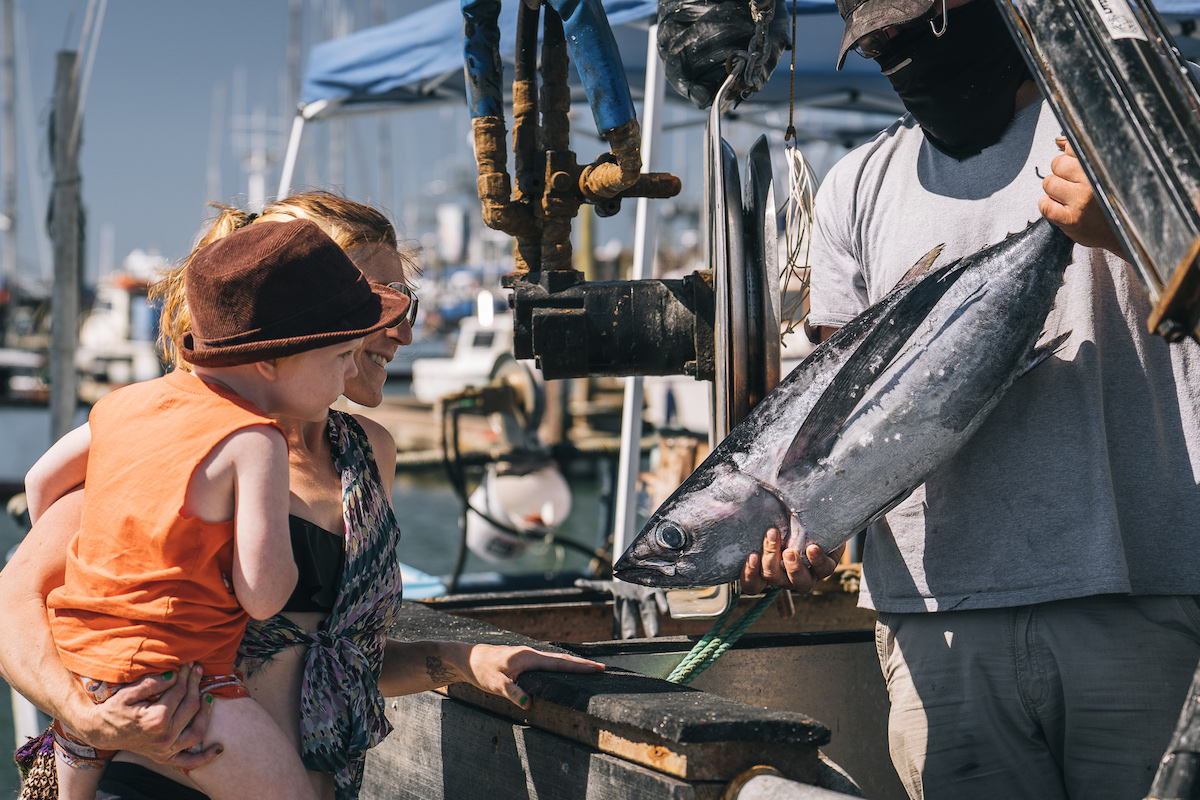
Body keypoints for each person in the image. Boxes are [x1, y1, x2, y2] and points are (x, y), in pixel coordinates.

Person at [0, 192, 605, 800]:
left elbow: (334, 659)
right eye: (377, 303)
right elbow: (16, 602)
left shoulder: (369, 454)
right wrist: (83, 719)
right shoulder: (179, 436)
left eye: (404, 302)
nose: (402, 330)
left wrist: (462, 661)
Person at [741, 2, 1200, 799]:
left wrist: (1129, 227)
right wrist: (805, 534)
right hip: (934, 620)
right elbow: (830, 410)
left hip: (1138, 591)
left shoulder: (1131, 124)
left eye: (925, 27)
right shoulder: (858, 186)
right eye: (881, 45)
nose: (905, 57)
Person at [24, 218, 412, 800]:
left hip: (91, 666)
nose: (351, 370)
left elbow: (38, 485)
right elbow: (264, 593)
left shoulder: (125, 406)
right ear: (271, 360)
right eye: (340, 355)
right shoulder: (254, 443)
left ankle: (79, 752)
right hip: (191, 692)